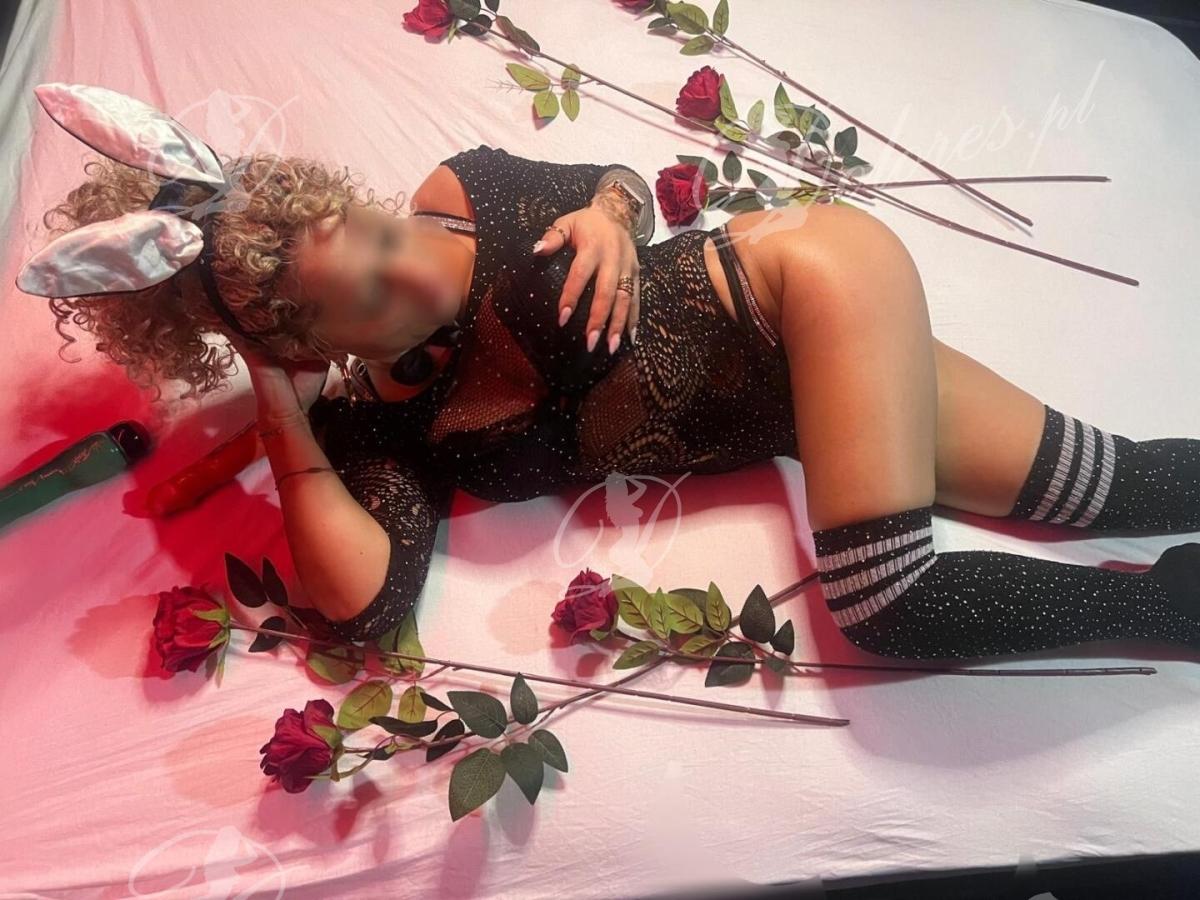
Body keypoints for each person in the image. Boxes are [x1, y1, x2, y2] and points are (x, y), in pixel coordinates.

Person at [32, 143, 1200, 661]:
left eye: (378, 235)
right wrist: (280, 408)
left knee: (887, 606)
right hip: (818, 409)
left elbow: (616, 181)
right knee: (1120, 487)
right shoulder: (379, 426)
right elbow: (363, 603)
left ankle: (1174, 610)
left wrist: (609, 215)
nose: (408, 269)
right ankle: (1180, 600)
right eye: (371, 296)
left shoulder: (458, 194)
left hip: (799, 280)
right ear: (308, 346)